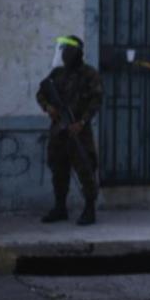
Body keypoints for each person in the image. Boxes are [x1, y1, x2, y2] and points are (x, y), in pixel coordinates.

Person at [36, 35, 102, 225]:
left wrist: (81, 122)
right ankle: (60, 208)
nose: (64, 54)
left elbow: (96, 101)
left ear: (76, 53)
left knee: (86, 171)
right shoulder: (57, 74)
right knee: (59, 171)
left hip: (80, 133)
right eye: (62, 50)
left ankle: (89, 210)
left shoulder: (90, 74)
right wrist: (48, 107)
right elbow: (41, 93)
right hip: (59, 132)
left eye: (67, 50)